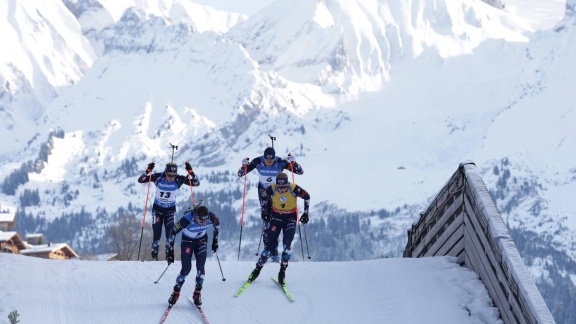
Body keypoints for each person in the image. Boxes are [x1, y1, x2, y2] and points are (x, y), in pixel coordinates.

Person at [237, 147, 303, 262]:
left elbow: (299, 171)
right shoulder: (257, 161)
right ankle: (270, 250)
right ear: (264, 158)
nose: (269, 163)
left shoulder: (280, 162)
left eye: (271, 161)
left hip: (278, 194)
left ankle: (276, 251)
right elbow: (240, 174)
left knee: (276, 220)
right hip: (264, 195)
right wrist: (243, 166)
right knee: (267, 220)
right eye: (267, 161)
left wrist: (293, 162)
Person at [245, 172, 310, 286]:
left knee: (287, 245)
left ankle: (282, 273)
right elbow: (264, 197)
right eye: (279, 187)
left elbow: (307, 196)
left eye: (284, 187)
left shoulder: (293, 188)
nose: (281, 190)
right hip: (276, 218)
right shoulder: (272, 188)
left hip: (290, 219)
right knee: (269, 248)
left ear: (287, 184)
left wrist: (306, 214)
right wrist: (265, 212)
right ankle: (257, 270)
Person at [137, 161, 199, 261]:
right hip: (157, 210)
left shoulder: (179, 179)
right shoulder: (158, 177)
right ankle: (154, 257)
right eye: (169, 175)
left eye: (173, 175)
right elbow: (141, 180)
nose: (171, 178)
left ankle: (169, 256)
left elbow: (196, 183)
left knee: (170, 234)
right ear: (165, 172)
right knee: (157, 234)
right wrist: (148, 171)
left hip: (170, 211)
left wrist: (191, 172)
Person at [166, 205, 220, 307]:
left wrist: (215, 241)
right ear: (195, 216)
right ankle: (176, 292)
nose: (202, 223)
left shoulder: (212, 217)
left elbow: (217, 226)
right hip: (187, 242)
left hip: (201, 241)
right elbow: (173, 232)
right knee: (186, 269)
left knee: (201, 267)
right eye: (199, 220)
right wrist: (170, 251)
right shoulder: (187, 219)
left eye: (204, 221)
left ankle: (197, 293)